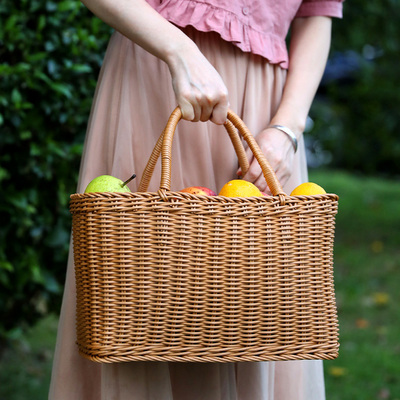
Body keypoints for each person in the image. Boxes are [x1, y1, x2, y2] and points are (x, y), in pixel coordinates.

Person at [49, 0, 344, 399]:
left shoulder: (279, 126)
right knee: (142, 294)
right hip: (157, 71)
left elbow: (316, 14)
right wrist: (180, 51)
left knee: (251, 299)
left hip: (266, 113)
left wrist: (287, 127)